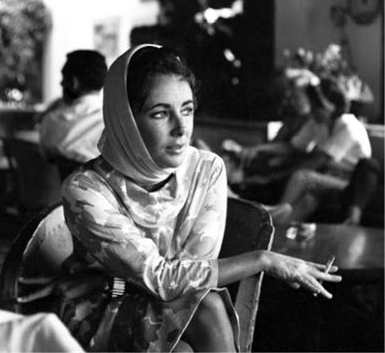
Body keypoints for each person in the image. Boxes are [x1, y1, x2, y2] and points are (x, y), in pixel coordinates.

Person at [61, 44, 341, 352]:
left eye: (187, 109)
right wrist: (263, 259)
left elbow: (194, 272)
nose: (181, 129)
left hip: (180, 307)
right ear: (125, 119)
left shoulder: (206, 169)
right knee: (202, 311)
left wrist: (186, 280)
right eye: (160, 113)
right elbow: (163, 279)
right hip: (104, 312)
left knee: (191, 329)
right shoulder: (86, 190)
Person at [267, 77, 379, 225]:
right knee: (309, 200)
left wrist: (281, 172)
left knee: (302, 177)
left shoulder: (349, 126)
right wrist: (258, 150)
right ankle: (278, 228)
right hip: (328, 177)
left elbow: (320, 161)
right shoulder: (318, 122)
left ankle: (276, 212)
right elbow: (293, 146)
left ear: (329, 106)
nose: (312, 111)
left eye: (315, 107)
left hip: (352, 183)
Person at [39, 50, 107, 171]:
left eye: (63, 78)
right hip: (100, 188)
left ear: (75, 83)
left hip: (56, 188)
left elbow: (45, 158)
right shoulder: (112, 123)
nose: (61, 83)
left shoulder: (51, 120)